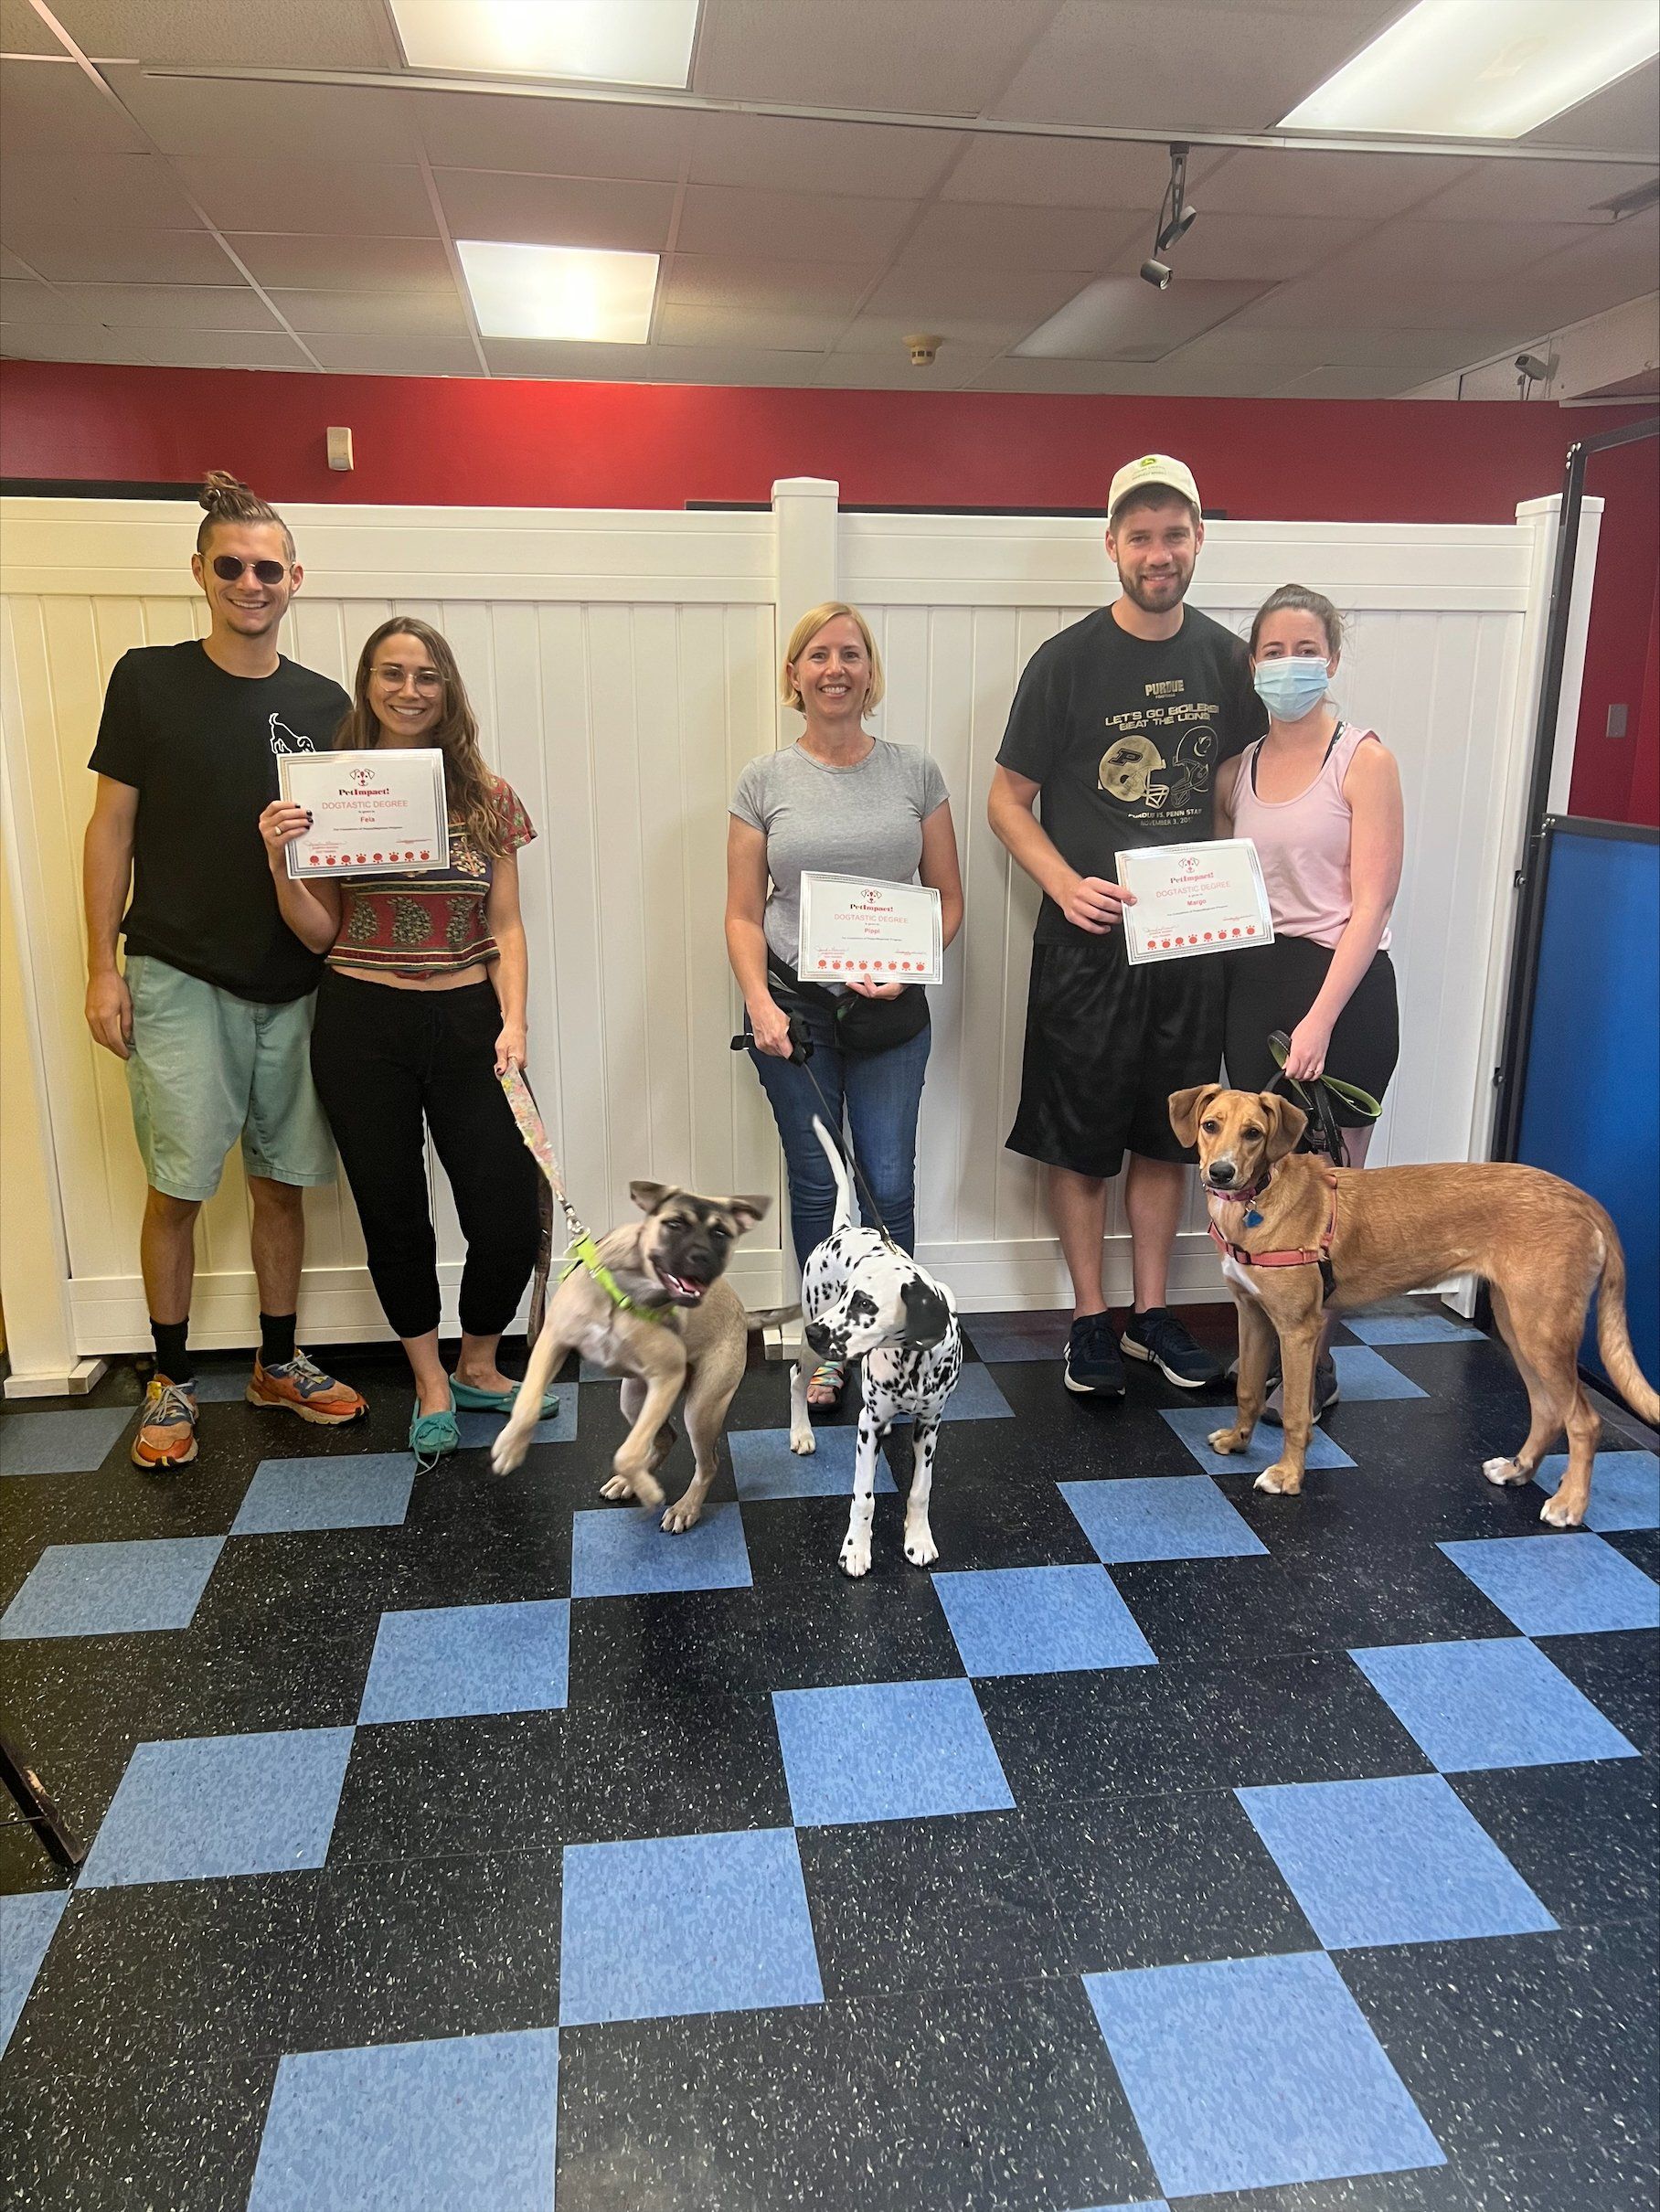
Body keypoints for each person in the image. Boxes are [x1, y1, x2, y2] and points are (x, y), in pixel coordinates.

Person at [82, 472, 367, 1470]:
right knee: (179, 1184)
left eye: (268, 568)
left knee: (281, 1182)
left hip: (293, 978)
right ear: (201, 573)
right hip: (176, 972)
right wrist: (100, 966)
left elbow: (346, 853)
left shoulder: (325, 702)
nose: (251, 582)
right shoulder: (146, 680)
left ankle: (278, 1361)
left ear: (296, 578)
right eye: (231, 566)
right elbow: (109, 826)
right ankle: (169, 1379)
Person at [988, 452, 1267, 1399]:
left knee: (1167, 1130)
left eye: (1174, 534)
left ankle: (1152, 1313)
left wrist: (1235, 884)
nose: (1159, 552)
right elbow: (1005, 800)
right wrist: (1064, 883)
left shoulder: (1230, 660)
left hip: (1190, 944)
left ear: (1197, 542)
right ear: (1111, 544)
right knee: (1080, 1136)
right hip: (1087, 942)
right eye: (1140, 535)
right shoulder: (1065, 661)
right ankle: (1089, 1318)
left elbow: (1240, 794)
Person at [261, 618, 549, 1470]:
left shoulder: (489, 797)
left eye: (427, 674)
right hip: (363, 1022)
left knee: (501, 1211)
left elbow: (506, 923)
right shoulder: (328, 790)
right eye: (392, 673)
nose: (410, 689)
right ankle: (428, 1379)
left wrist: (516, 1022)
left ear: (448, 688)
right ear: (368, 684)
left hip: (468, 1022)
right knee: (394, 1216)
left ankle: (478, 1362)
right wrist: (282, 860)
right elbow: (318, 933)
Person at [727, 601, 963, 1410]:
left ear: (871, 672)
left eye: (851, 655)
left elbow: (948, 899)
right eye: (818, 655)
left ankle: (901, 1340)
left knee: (889, 1179)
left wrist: (914, 966)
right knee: (819, 1184)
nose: (835, 669)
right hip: (794, 1010)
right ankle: (827, 1344)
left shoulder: (916, 773)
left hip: (893, 1012)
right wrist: (760, 1002)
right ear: (794, 675)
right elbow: (741, 912)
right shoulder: (763, 781)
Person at [1218, 582, 1404, 1420]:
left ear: (1331, 657)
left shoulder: (1365, 759)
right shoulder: (1238, 772)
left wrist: (1322, 1018)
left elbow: (1371, 905)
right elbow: (1224, 891)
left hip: (1346, 991)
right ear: (1251, 664)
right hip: (1257, 985)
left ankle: (1313, 1367)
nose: (1289, 664)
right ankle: (1263, 1363)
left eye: (1305, 649)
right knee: (1251, 1185)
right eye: (1272, 650)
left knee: (1326, 1198)